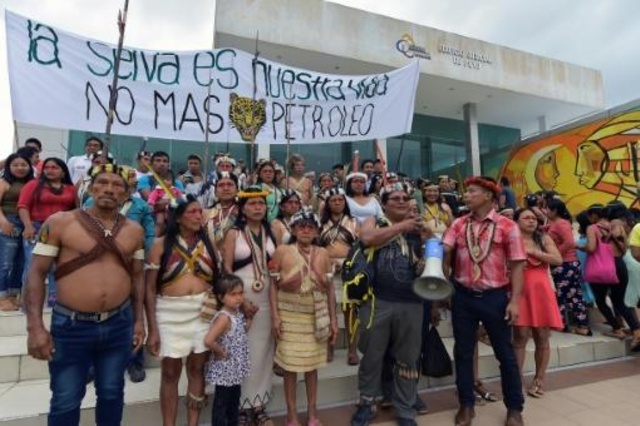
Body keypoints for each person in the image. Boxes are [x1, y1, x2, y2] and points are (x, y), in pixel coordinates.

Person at [24, 164, 146, 426]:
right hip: (71, 325)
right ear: (90, 187)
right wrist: (35, 326)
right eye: (102, 183)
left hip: (118, 323)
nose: (109, 190)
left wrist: (139, 321)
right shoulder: (59, 222)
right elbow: (35, 274)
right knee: (66, 398)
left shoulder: (134, 231)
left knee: (112, 393)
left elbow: (137, 278)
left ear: (126, 195)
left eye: (117, 186)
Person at [442, 176, 525, 426]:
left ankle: (514, 408)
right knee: (464, 353)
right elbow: (444, 250)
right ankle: (466, 405)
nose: (466, 195)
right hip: (463, 297)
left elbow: (518, 266)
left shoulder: (508, 226)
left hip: (496, 298)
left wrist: (515, 301)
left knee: (506, 355)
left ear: (488, 196)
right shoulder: (458, 224)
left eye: (472, 191)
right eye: (466, 192)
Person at [351, 183, 431, 426]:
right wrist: (404, 226)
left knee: (408, 358)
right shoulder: (372, 220)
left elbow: (437, 256)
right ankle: (367, 403)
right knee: (372, 356)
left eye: (405, 197)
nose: (401, 201)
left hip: (412, 302)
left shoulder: (418, 227)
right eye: (394, 198)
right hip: (377, 301)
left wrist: (430, 238)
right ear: (384, 203)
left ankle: (405, 409)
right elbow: (367, 239)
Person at [145, 194, 218, 426]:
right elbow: (148, 289)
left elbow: (218, 280)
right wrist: (152, 329)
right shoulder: (159, 245)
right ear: (177, 218)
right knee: (170, 372)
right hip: (169, 314)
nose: (199, 216)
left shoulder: (209, 244)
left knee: (197, 369)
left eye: (200, 212)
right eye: (192, 212)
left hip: (202, 312)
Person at [271, 210, 338, 426]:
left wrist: (334, 320)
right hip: (288, 315)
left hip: (316, 316)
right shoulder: (282, 251)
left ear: (317, 231)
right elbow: (272, 286)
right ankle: (291, 415)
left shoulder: (323, 253)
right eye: (301, 226)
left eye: (310, 226)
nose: (306, 229)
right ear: (292, 229)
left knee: (311, 367)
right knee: (289, 368)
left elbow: (330, 290)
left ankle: (312, 413)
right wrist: (274, 317)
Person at [221, 186, 276, 425]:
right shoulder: (234, 233)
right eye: (252, 204)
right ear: (243, 208)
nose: (257, 208)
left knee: (263, 353)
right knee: (241, 352)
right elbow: (226, 270)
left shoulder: (272, 230)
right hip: (239, 298)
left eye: (261, 204)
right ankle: (241, 407)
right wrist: (240, 301)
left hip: (267, 298)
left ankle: (259, 404)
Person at [512, 207, 563, 398]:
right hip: (519, 291)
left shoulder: (543, 239)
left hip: (541, 291)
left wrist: (534, 251)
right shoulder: (511, 239)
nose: (531, 221)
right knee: (520, 337)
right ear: (517, 221)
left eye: (534, 218)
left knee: (542, 337)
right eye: (526, 218)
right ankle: (515, 380)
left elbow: (557, 259)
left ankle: (539, 379)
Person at [18, 157, 77, 306]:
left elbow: (76, 211)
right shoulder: (33, 185)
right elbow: (23, 206)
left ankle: (54, 303)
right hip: (37, 228)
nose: (50, 170)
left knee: (58, 267)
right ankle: (28, 304)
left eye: (54, 167)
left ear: (63, 171)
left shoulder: (71, 189)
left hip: (63, 231)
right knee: (33, 266)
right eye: (47, 167)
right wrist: (28, 226)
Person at [318, 188, 360, 365]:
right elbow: (316, 248)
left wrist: (348, 263)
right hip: (327, 270)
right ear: (327, 203)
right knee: (328, 311)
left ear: (345, 202)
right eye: (333, 200)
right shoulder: (320, 223)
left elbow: (360, 247)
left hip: (350, 270)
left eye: (340, 200)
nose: (337, 203)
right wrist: (328, 264)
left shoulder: (354, 221)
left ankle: (352, 350)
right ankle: (329, 347)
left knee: (351, 311)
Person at [204, 274, 251, 426]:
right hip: (226, 369)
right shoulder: (224, 318)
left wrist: (251, 318)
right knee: (222, 404)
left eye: (240, 293)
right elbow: (208, 340)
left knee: (233, 402)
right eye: (233, 294)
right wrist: (220, 351)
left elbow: (243, 330)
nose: (238, 298)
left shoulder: (236, 314)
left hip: (234, 369)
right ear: (221, 297)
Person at [546, 199, 591, 335]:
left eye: (547, 209)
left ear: (554, 211)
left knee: (567, 295)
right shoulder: (556, 223)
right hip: (564, 263)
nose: (545, 211)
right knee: (569, 295)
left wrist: (555, 254)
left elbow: (569, 242)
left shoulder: (561, 223)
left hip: (566, 263)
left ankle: (570, 324)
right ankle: (572, 324)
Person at [0, 153, 34, 310]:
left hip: (28, 224)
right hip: (9, 222)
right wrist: (3, 221)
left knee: (20, 263)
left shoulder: (33, 183)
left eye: (24, 165)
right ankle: (2, 297)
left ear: (29, 166)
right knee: (5, 263)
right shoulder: (4, 182)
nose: (20, 168)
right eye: (15, 165)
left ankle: (13, 295)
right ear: (9, 167)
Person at [205, 172, 240, 256]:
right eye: (221, 185)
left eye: (230, 185)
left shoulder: (243, 213)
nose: (225, 188)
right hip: (210, 259)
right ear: (216, 192)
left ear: (237, 190)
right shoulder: (205, 213)